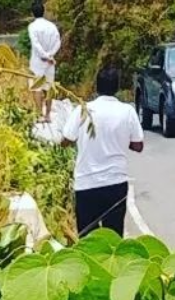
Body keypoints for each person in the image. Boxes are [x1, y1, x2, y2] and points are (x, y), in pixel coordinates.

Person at [61, 66, 145, 237]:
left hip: (86, 184)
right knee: (113, 238)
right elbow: (138, 145)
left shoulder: (83, 110)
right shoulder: (127, 111)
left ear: (96, 86)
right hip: (115, 184)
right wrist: (119, 141)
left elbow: (66, 140)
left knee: (87, 239)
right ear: (117, 88)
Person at [27, 1, 62, 123]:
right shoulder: (52, 26)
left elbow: (35, 44)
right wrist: (50, 55)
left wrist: (44, 55)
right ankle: (47, 115)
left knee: (37, 87)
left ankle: (39, 114)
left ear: (32, 13)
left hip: (37, 61)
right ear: (44, 11)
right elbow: (58, 42)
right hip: (50, 62)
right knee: (48, 86)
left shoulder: (32, 27)